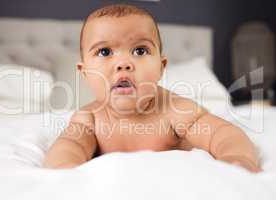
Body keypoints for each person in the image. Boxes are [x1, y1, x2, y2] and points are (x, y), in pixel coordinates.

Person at [42, 4, 261, 173]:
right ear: (85, 73)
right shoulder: (89, 118)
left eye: (139, 51)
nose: (123, 63)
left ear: (161, 67)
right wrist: (64, 171)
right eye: (105, 52)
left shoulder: (176, 111)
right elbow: (69, 146)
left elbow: (222, 133)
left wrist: (237, 159)